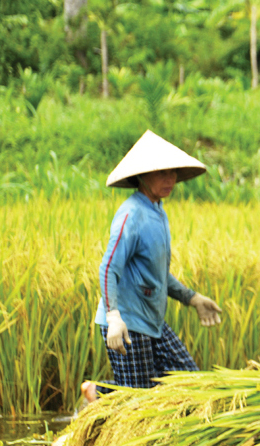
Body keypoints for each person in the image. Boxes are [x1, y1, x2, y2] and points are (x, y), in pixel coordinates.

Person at [81, 131, 225, 404]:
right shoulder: (131, 214)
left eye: (172, 173)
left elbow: (156, 273)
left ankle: (99, 390)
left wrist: (192, 298)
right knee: (141, 401)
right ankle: (98, 393)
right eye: (161, 173)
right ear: (142, 176)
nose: (169, 179)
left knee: (189, 379)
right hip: (127, 322)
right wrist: (113, 316)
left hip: (152, 321)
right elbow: (109, 267)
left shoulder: (157, 211)